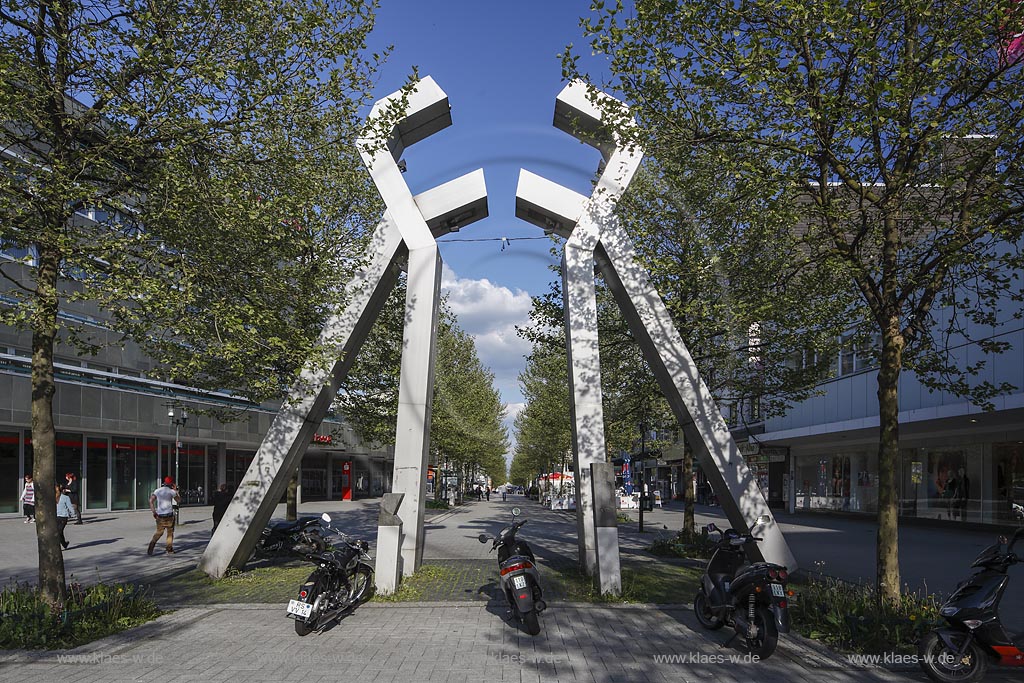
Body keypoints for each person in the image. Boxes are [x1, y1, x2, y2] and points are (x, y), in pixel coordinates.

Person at [148, 476, 180, 555]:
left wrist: (154, 512)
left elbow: (151, 501)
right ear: (172, 484)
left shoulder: (157, 491)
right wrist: (176, 490)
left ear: (164, 483)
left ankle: (151, 547)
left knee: (159, 533)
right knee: (170, 533)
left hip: (160, 515)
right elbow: (178, 500)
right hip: (169, 515)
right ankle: (169, 550)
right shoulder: (171, 491)